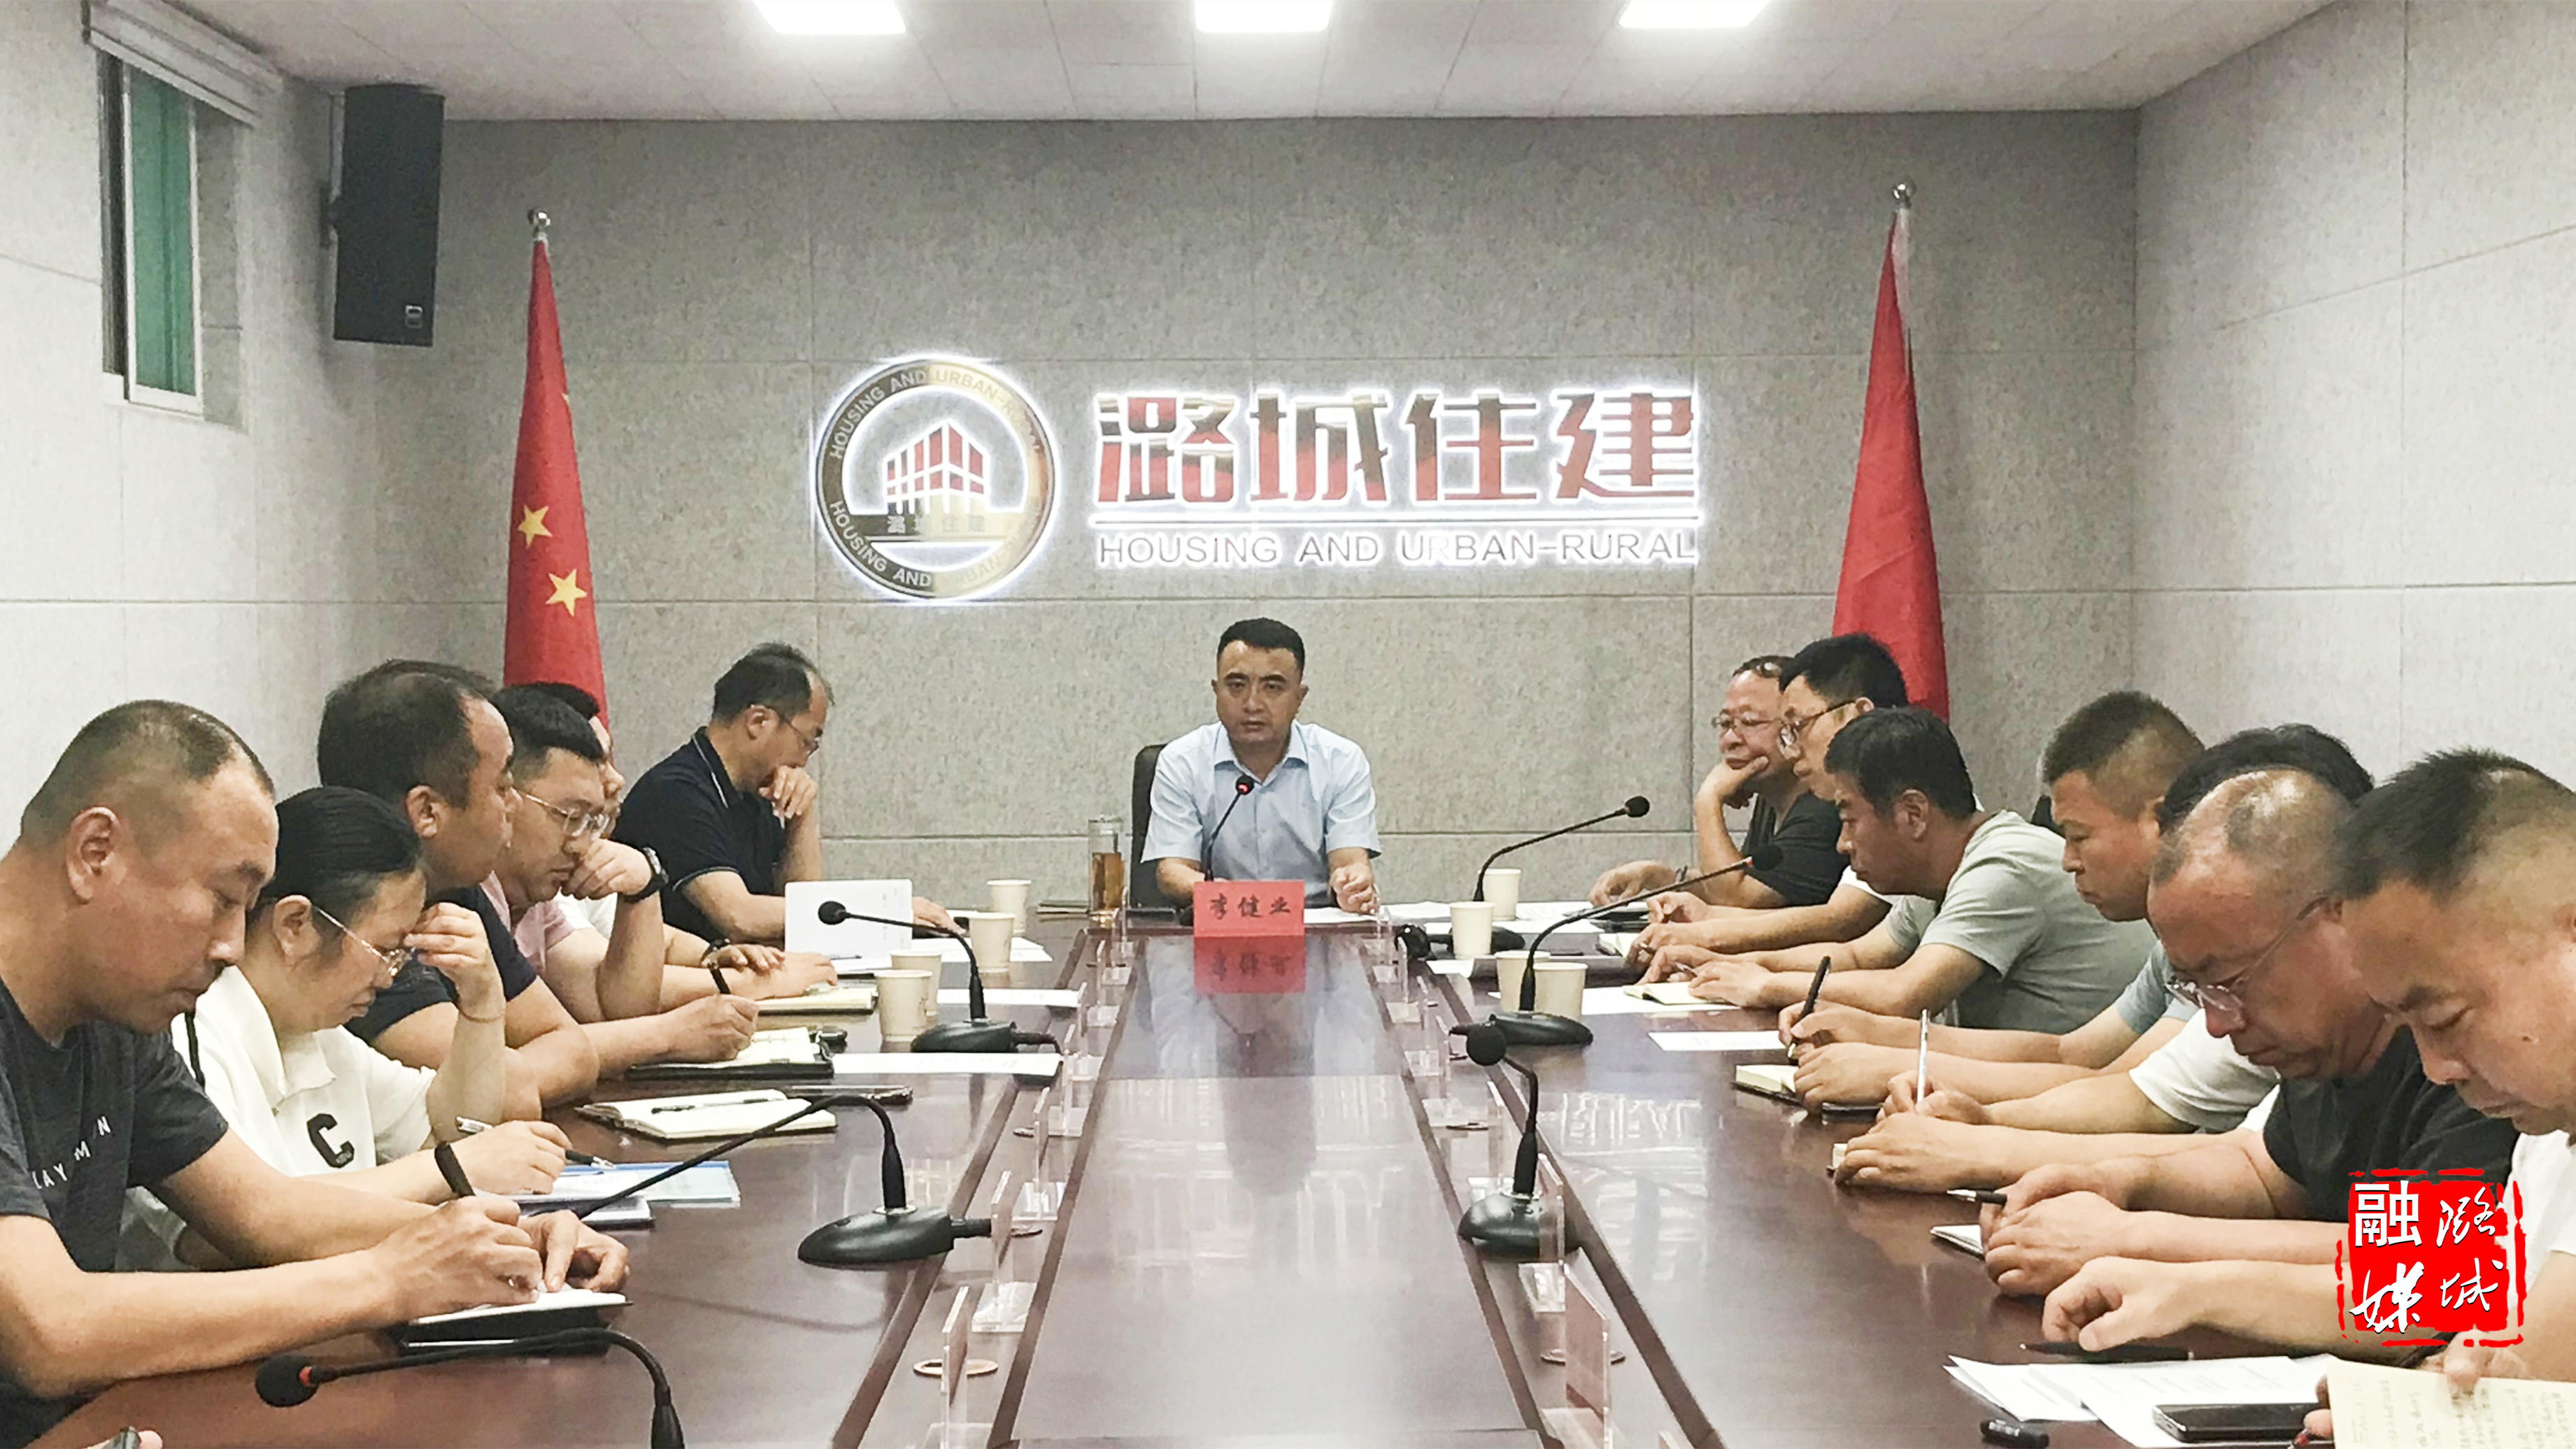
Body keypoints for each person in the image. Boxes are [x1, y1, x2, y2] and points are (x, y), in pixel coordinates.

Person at [0, 701, 625, 1448]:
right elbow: (51, 1330)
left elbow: (267, 1213)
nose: (233, 946)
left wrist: (502, 1239)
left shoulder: (112, 1017)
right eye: (222, 899)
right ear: (95, 852)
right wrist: (388, 1278)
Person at [2059, 751, 2576, 1390]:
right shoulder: (2546, 1124)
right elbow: (2451, 1297)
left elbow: (2519, 1369)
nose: (2437, 1067)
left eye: (2445, 1019)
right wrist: (2192, 1291)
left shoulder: (2529, 1096)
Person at [1984, 770, 2516, 1306]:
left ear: (2339, 916)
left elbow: (2435, 1272)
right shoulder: (2322, 1050)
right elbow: (2266, 1174)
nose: (2218, 1024)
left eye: (2232, 982)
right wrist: (2119, 1182)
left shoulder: (2467, 1054)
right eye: (2198, 991)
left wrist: (2134, 1240)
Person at [1826, 724, 2376, 1193]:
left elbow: (2427, 1271)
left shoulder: (2404, 1043)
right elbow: (2251, 1167)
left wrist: (2154, 1259)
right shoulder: (2309, 1033)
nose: (2217, 1021)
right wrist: (1985, 1123)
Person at [122, 787, 569, 1269]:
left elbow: (452, 1132)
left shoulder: (323, 1036)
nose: (390, 976)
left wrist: (482, 1005)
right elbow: (236, 1231)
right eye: (386, 950)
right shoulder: (184, 1034)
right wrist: (450, 1169)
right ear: (295, 925)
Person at [1780, 692, 2203, 1107]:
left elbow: (2125, 1096)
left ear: (2158, 821)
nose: (2068, 860)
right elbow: (2069, 1054)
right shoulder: (2170, 952)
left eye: (2079, 836)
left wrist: (1908, 1072)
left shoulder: (2222, 950)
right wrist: (1874, 1032)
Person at [1660, 708, 2153, 1032]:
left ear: (1912, 814)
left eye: (1849, 819)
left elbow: (1903, 994)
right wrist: (1723, 963)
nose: (1843, 843)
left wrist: (1765, 985)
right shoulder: (1941, 870)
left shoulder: (2004, 866)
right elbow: (1856, 957)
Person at [318, 663, 597, 1111]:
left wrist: (506, 1075)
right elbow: (500, 1095)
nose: (514, 805)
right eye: (502, 786)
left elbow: (573, 1051)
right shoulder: (353, 913)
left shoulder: (453, 885)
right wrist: (503, 1074)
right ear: (427, 811)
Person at [487, 687, 787, 1073]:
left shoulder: (535, 899)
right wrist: (669, 1035)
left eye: (591, 822)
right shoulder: (457, 892)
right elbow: (508, 1060)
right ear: (506, 799)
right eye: (571, 816)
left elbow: (611, 1007)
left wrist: (644, 887)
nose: (581, 845)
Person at [614, 643, 951, 947]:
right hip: (685, 982)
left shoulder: (755, 789)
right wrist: (885, 912)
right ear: (758, 721)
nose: (804, 760)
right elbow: (740, 917)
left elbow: (802, 905)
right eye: (807, 742)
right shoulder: (675, 794)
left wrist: (802, 816)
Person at [1625, 633, 1909, 962]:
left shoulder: (1893, 803)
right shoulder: (1858, 799)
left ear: (1857, 715)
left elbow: (1840, 923)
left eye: (1798, 726)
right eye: (1725, 724)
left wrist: (1707, 938)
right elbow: (1853, 950)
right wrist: (1707, 928)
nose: (1791, 748)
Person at [1143, 618, 1381, 912]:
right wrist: (1232, 898)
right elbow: (1173, 871)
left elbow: (1349, 862)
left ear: (1299, 698)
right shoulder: (1182, 761)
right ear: (1216, 691)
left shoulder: (1340, 761)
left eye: (1272, 687)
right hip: (1221, 919)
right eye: (1237, 686)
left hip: (1314, 925)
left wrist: (1353, 884)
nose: (1252, 704)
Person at [1588, 655, 1844, 911]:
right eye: (1725, 724)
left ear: (1795, 727)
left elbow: (1736, 902)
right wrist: (1659, 876)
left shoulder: (1825, 806)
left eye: (1750, 722)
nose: (1730, 739)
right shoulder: (1772, 796)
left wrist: (1708, 800)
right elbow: (1731, 881)